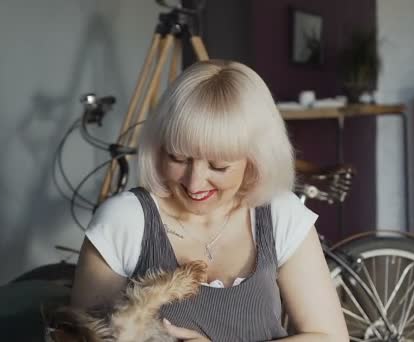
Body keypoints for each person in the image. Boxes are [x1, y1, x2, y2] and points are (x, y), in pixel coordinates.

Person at [70, 59, 349, 341]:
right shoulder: (125, 221)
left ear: (255, 160)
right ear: (159, 147)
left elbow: (329, 336)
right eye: (178, 158)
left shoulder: (279, 213)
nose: (195, 182)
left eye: (218, 166)